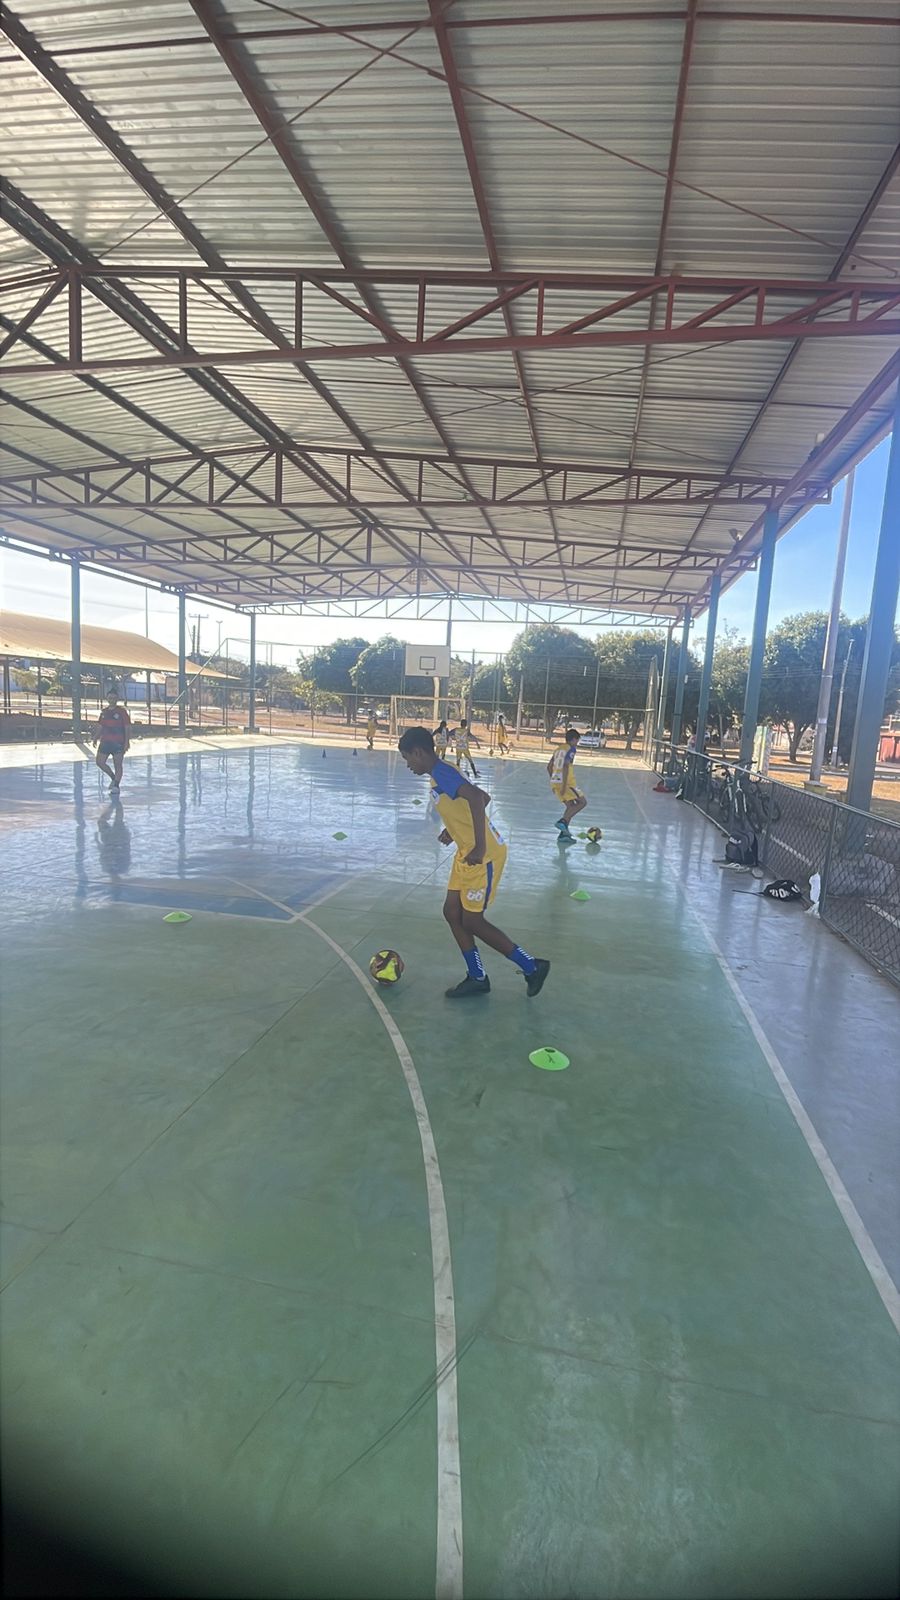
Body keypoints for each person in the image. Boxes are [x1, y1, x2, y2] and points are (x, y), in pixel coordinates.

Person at [398, 726, 550, 1000]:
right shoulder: (440, 773)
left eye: (407, 758)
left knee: (472, 921)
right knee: (451, 911)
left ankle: (532, 966)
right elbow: (481, 798)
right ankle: (477, 977)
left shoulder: (442, 772)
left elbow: (479, 798)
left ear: (418, 752)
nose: (408, 765)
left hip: (483, 855)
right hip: (466, 853)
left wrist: (479, 845)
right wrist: (454, 830)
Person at [548, 726, 587, 840]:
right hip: (567, 782)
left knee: (571, 806)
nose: (577, 744)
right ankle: (563, 821)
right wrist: (564, 785)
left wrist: (553, 780)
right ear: (574, 739)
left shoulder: (558, 749)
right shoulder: (571, 749)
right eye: (577, 741)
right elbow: (565, 766)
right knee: (582, 802)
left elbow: (549, 766)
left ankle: (563, 835)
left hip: (555, 782)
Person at [93, 688, 131, 791]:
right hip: (105, 741)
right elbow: (101, 726)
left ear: (117, 699)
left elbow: (127, 727)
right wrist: (96, 737)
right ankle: (113, 778)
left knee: (117, 764)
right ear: (107, 698)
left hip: (118, 742)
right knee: (100, 762)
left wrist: (127, 742)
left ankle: (116, 785)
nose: (112, 700)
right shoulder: (104, 712)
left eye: (114, 698)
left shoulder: (122, 712)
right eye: (110, 698)